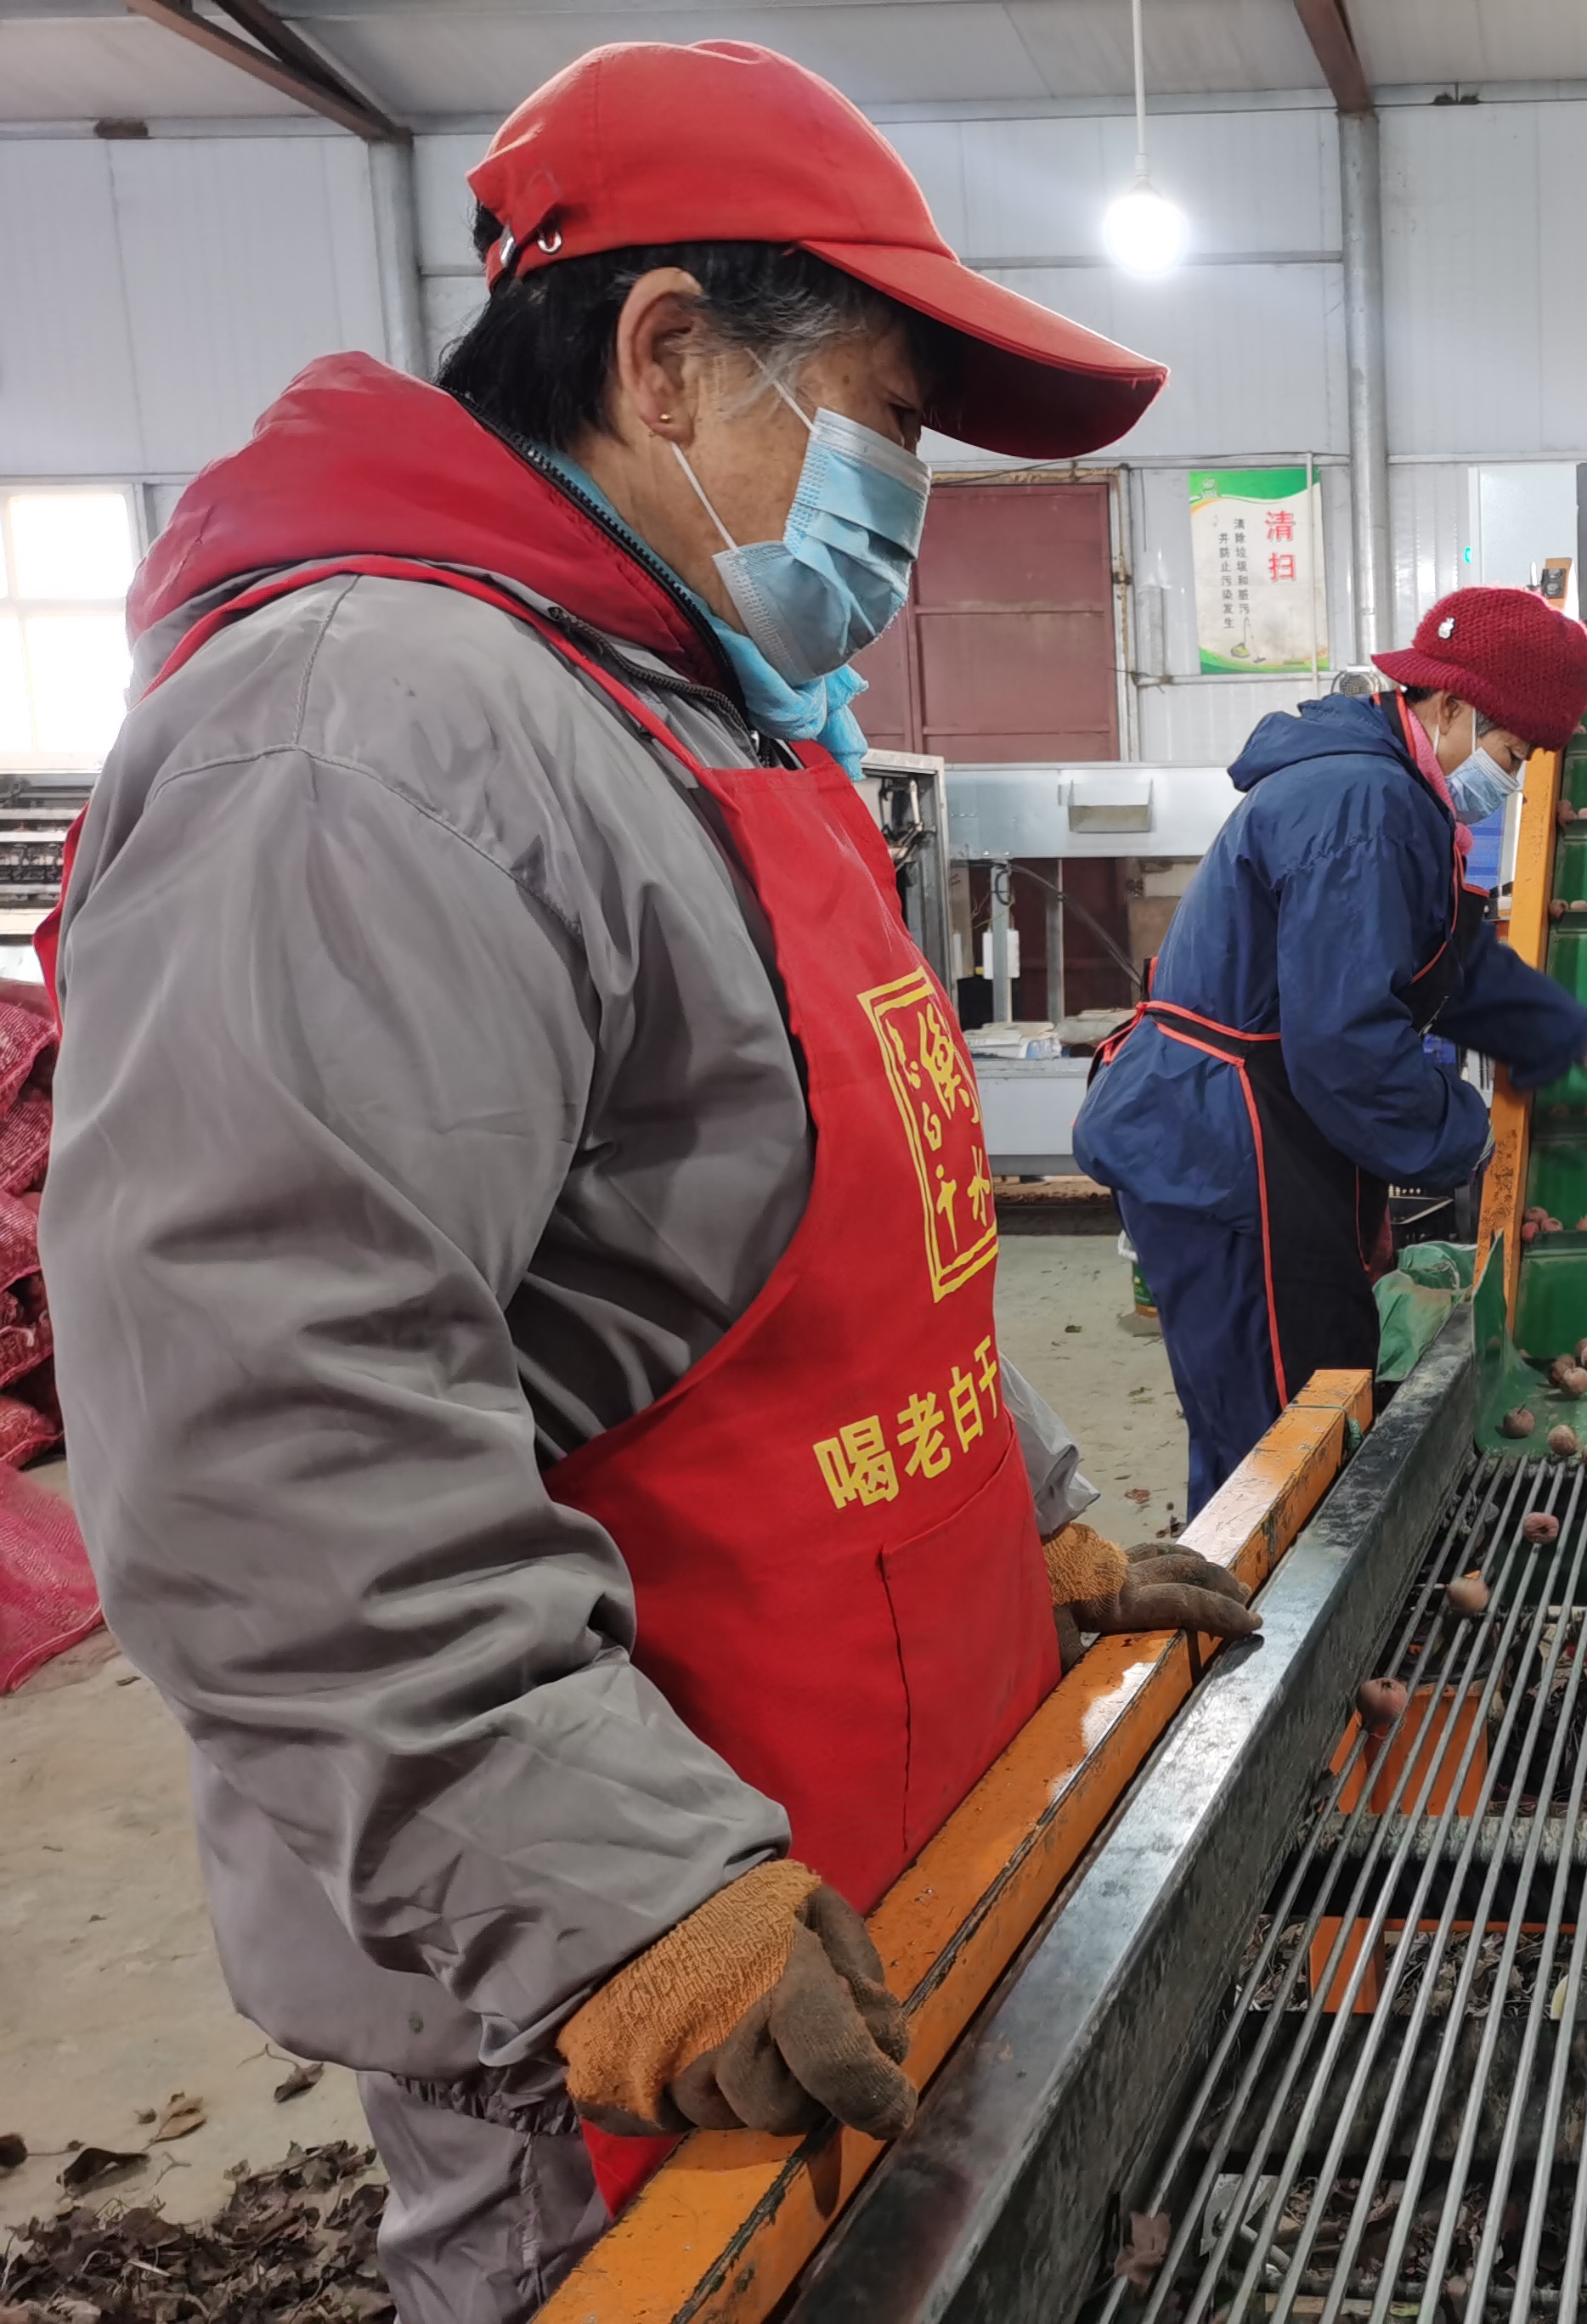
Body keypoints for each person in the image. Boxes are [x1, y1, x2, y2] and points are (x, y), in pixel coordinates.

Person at [41, 41, 1249, 2323]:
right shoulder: (372, 737)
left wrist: (1028, 1516)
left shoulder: (700, 720)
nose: (900, 501)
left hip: (869, 1861)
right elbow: (267, 1419)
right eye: (882, 419)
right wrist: (608, 1893)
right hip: (636, 1998)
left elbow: (850, 1241)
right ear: (666, 352)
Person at [1075, 588, 1587, 1512]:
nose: (1511, 781)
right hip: (1224, 1146)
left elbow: (1450, 965)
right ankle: (1251, 1597)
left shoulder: (1395, 791)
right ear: (1453, 707)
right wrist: (1464, 1137)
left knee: (1316, 1384)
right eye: (1513, 755)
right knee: (1274, 1432)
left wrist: (1581, 1042)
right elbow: (1346, 1043)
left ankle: (1286, 1577)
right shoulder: (1365, 804)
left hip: (1259, 1129)